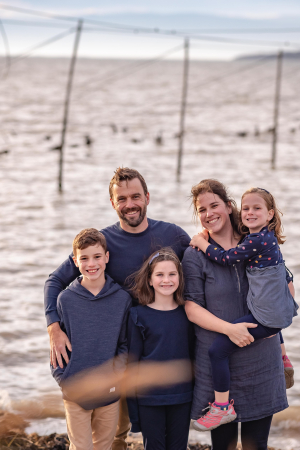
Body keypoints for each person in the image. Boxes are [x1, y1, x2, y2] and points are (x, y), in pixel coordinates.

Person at [44, 167, 191, 449]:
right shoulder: (101, 243)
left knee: (163, 426)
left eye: (135, 196)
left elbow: (201, 268)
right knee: (115, 430)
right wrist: (54, 327)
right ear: (113, 203)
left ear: (147, 197)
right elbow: (55, 281)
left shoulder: (173, 235)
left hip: (159, 347)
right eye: (121, 199)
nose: (130, 204)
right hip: (117, 349)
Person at [183, 179, 290, 450]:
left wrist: (282, 347)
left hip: (260, 359)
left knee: (257, 445)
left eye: (214, 205)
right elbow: (191, 308)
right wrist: (229, 329)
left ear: (230, 207)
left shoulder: (254, 242)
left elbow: (279, 286)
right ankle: (221, 407)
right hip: (219, 364)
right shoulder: (195, 255)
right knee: (223, 446)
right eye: (202, 210)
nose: (209, 214)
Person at [50, 228, 132, 450]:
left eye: (97, 257)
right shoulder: (65, 300)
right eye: (84, 258)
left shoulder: (121, 299)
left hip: (110, 393)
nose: (91, 263)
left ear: (106, 258)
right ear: (75, 261)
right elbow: (57, 347)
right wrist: (63, 380)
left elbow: (124, 344)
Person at [126, 248, 195, 450]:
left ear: (180, 278)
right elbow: (132, 365)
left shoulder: (188, 314)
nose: (167, 280)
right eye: (160, 275)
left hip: (182, 397)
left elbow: (193, 357)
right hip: (149, 399)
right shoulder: (137, 315)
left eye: (172, 274)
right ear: (149, 280)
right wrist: (134, 416)